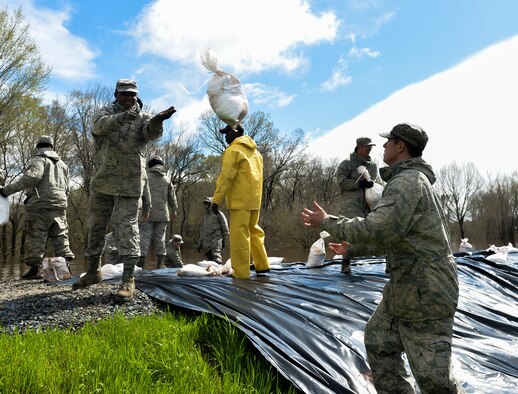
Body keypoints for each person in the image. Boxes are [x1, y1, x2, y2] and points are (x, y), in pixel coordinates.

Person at [301, 123, 462, 393]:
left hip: (425, 291)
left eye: (389, 142)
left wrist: (328, 221)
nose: (384, 146)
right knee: (378, 340)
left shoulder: (408, 183)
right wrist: (350, 249)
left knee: (435, 381)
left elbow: (379, 228)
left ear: (401, 146)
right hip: (406, 287)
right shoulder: (404, 181)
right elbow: (395, 236)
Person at [71, 78, 176, 301]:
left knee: (127, 227)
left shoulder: (143, 116)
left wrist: (158, 120)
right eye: (124, 94)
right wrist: (121, 118)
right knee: (96, 225)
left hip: (130, 181)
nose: (129, 98)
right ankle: (92, 272)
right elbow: (98, 127)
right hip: (103, 179)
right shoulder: (105, 111)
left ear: (137, 95)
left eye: (132, 94)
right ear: (116, 94)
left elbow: (152, 134)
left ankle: (128, 279)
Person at [0, 135, 75, 279]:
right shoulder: (63, 165)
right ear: (52, 147)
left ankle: (36, 269)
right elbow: (67, 188)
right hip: (60, 204)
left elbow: (31, 178)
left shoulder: (38, 160)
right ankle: (65, 268)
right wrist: (62, 199)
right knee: (60, 235)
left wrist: (6, 190)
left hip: (39, 204)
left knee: (36, 236)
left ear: (38, 146)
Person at [211, 124, 270, 279]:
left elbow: (226, 177)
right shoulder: (257, 153)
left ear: (235, 132)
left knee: (239, 237)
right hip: (255, 200)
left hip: (239, 201)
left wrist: (216, 200)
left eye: (227, 133)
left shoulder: (233, 150)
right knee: (255, 231)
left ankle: (241, 273)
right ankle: (262, 266)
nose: (225, 136)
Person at [336, 136, 379, 273]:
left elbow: (374, 180)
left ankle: (374, 256)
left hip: (367, 203)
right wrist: (357, 184)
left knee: (369, 229)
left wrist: (370, 184)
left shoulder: (372, 165)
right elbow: (341, 182)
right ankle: (346, 262)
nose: (370, 149)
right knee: (348, 231)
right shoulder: (346, 164)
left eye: (371, 146)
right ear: (360, 147)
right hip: (351, 204)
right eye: (368, 146)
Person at [138, 156, 178, 269]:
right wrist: (174, 210)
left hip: (147, 212)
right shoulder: (167, 179)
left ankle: (141, 263)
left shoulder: (145, 177)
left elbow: (139, 193)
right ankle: (160, 264)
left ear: (151, 165)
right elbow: (172, 197)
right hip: (163, 213)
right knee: (160, 238)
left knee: (144, 237)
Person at [196, 196, 229, 264]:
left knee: (217, 260)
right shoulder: (206, 216)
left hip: (216, 242)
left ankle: (219, 272)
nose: (205, 205)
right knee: (210, 263)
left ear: (211, 204)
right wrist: (199, 244)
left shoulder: (218, 214)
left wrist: (224, 241)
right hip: (207, 244)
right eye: (205, 204)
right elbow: (203, 231)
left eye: (207, 203)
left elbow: (225, 229)